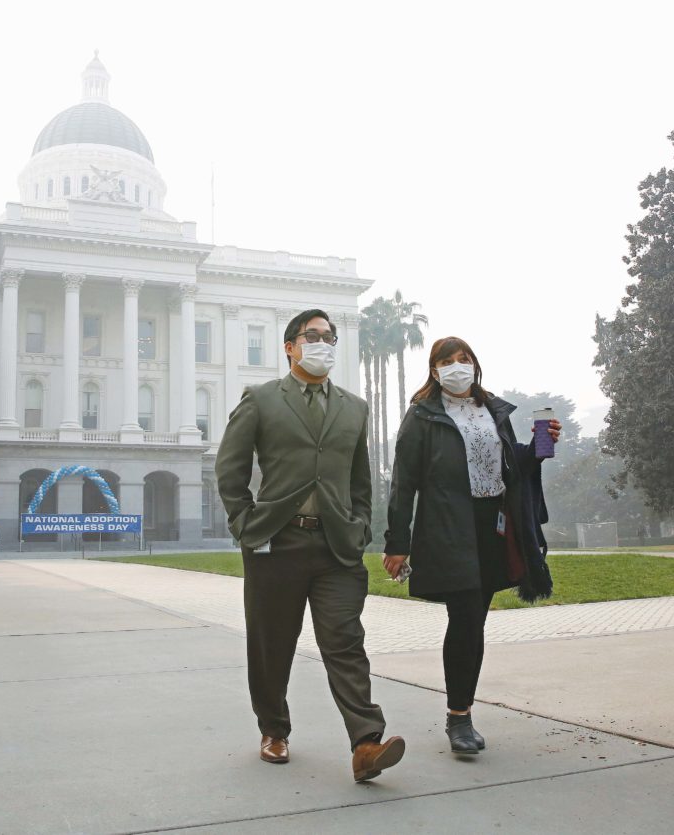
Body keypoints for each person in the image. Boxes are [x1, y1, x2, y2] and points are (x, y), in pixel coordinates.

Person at [216, 308, 405, 783]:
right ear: (290, 347)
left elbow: (360, 481)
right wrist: (245, 524)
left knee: (345, 640)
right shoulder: (260, 399)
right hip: (276, 543)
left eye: (329, 336)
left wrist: (359, 525)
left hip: (336, 547)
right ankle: (273, 729)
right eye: (313, 335)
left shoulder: (354, 408)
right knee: (272, 645)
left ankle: (366, 743)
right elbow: (229, 469)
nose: (323, 343)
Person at [382, 336, 560, 756]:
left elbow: (509, 463)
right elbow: (404, 483)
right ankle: (459, 717)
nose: (456, 366)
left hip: (492, 527)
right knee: (463, 618)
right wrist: (397, 542)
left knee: (474, 620)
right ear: (434, 370)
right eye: (447, 361)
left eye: (463, 359)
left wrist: (540, 447)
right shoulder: (423, 415)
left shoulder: (492, 409)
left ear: (475, 364)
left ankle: (461, 709)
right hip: (448, 526)